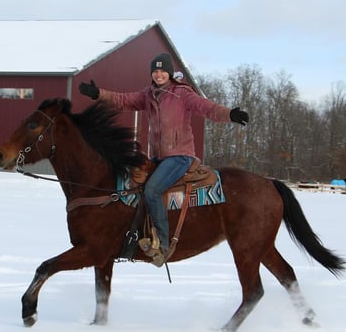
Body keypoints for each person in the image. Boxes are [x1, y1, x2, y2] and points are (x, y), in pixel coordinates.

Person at [78, 52, 249, 267]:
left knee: (152, 190)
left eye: (162, 70)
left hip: (180, 157)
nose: (159, 74)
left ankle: (163, 243)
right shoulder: (149, 94)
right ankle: (136, 235)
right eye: (155, 71)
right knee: (135, 186)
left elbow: (206, 107)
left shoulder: (182, 93)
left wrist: (230, 114)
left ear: (170, 73)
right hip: (158, 157)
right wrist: (97, 93)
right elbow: (123, 100)